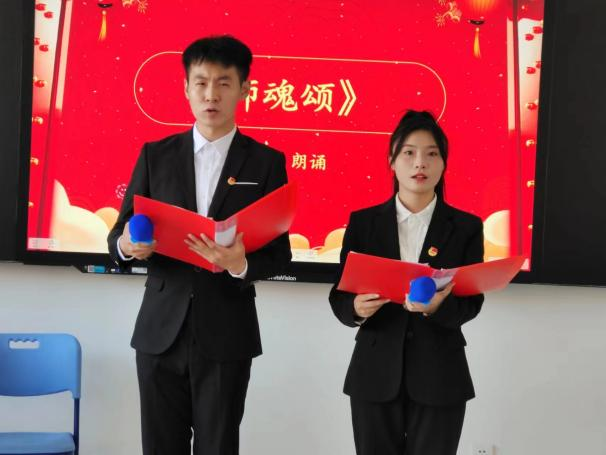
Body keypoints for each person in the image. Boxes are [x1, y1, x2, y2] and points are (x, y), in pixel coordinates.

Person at [107, 35, 291, 455]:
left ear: (244, 89)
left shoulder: (266, 163)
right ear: (186, 88)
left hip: (227, 333)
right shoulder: (155, 155)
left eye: (224, 83)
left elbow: (279, 254)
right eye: (201, 82)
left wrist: (240, 263)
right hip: (160, 332)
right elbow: (117, 235)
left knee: (218, 447)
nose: (211, 95)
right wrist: (128, 247)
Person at [329, 110, 484, 455]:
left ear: (444, 163)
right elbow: (339, 298)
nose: (420, 163)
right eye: (409, 153)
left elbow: (471, 304)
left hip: (440, 374)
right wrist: (356, 308)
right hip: (374, 373)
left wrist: (438, 307)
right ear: (392, 161)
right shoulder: (364, 224)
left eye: (432, 154)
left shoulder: (466, 227)